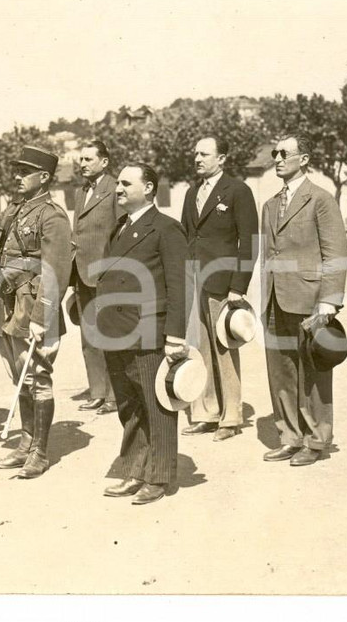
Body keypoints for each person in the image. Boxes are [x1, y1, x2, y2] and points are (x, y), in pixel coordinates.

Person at [0, 146, 73, 479]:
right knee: (20, 377)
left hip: (34, 308)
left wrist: (40, 319)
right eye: (16, 171)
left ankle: (40, 452)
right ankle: (25, 443)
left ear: (44, 177)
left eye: (24, 172)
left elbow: (57, 269)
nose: (16, 177)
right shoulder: (16, 208)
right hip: (10, 303)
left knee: (37, 377)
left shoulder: (53, 215)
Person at [95, 163, 189, 505]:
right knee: (129, 405)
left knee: (157, 405)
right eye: (117, 183)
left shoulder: (166, 229)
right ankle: (134, 470)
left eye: (125, 183)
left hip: (148, 330)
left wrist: (175, 335)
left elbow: (179, 285)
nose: (117, 189)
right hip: (116, 330)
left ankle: (160, 476)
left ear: (148, 188)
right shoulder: (120, 226)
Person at [260, 134, 347, 467]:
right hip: (274, 299)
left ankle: (316, 439)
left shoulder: (321, 200)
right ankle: (290, 436)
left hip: (309, 300)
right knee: (281, 372)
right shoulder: (269, 205)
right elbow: (267, 254)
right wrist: (262, 297)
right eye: (275, 153)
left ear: (304, 158)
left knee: (312, 374)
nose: (278, 158)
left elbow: (336, 252)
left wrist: (329, 301)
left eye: (285, 153)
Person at [179, 136, 258, 442]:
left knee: (224, 348)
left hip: (222, 284)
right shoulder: (191, 192)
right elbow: (187, 236)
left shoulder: (238, 191)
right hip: (194, 281)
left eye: (204, 154)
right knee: (199, 350)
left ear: (222, 158)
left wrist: (238, 286)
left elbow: (249, 242)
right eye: (195, 153)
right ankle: (206, 413)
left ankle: (231, 417)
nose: (197, 158)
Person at [70, 140, 120, 415]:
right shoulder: (80, 192)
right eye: (81, 159)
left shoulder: (115, 189)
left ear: (104, 162)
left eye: (88, 159)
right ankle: (97, 391)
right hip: (82, 274)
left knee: (110, 335)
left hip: (106, 275)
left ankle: (114, 395)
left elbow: (121, 233)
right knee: (89, 336)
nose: (83, 163)